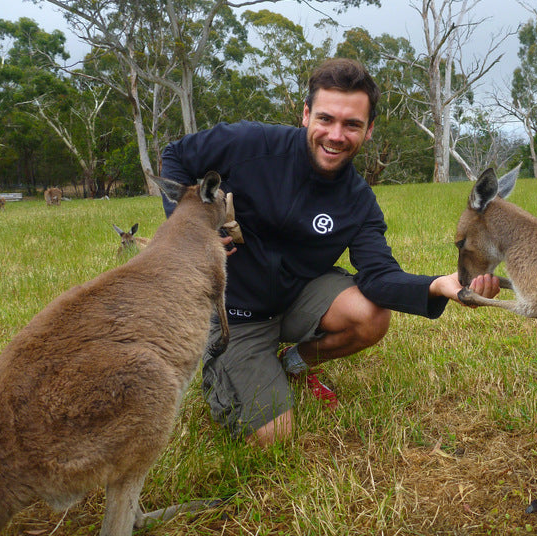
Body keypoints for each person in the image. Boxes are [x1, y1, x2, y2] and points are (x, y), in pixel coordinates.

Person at [160, 58, 499, 446]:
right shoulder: (249, 144)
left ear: (369, 130)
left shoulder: (358, 201)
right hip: (233, 313)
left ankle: (292, 362)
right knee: (274, 437)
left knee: (370, 316)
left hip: (295, 296)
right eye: (326, 119)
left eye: (352, 124)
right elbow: (176, 156)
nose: (336, 135)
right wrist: (189, 227)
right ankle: (229, 363)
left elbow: (379, 276)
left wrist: (439, 285)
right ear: (306, 114)